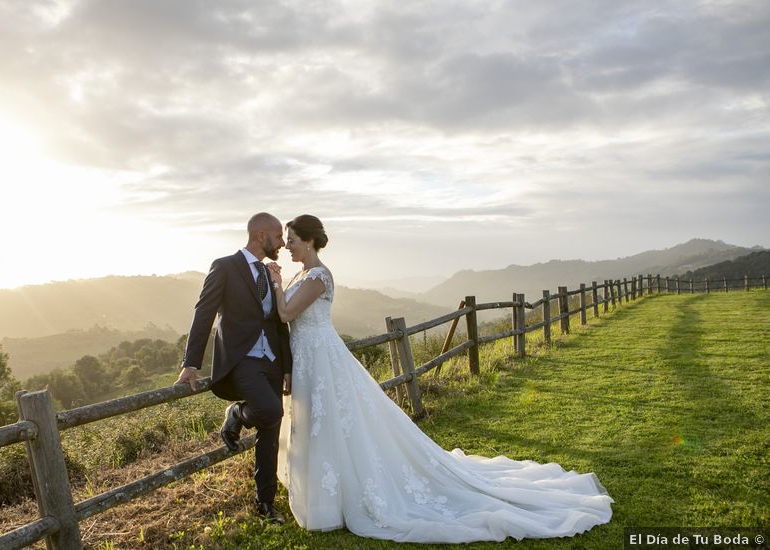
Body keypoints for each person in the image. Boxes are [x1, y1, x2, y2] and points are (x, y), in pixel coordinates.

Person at [265, 214, 614, 543]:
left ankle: (338, 498)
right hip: (309, 358)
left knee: (333, 422)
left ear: (310, 241)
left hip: (322, 357)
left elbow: (285, 313)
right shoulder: (301, 275)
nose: (288, 246)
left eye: (293, 240)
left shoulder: (317, 277)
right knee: (322, 424)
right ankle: (325, 495)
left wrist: (275, 281)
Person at [175, 212, 292, 523]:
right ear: (260, 235)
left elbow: (279, 323)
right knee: (271, 412)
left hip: (272, 363)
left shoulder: (269, 273)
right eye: (278, 236)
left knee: (270, 432)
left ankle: (265, 503)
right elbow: (204, 313)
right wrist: (191, 363)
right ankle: (237, 413)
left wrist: (288, 367)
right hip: (242, 361)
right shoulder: (224, 267)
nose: (281, 242)